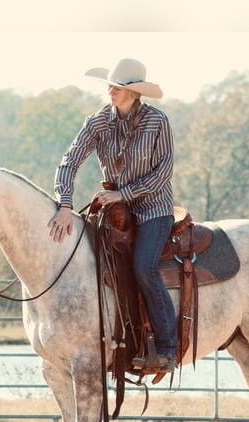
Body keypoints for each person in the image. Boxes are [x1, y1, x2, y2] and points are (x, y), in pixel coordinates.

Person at [49, 57, 178, 372]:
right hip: (115, 213)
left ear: (134, 93)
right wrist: (65, 204)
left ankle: (166, 347)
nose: (111, 91)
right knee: (89, 265)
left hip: (153, 209)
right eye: (110, 85)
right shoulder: (97, 123)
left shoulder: (157, 121)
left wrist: (123, 193)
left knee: (144, 267)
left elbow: (164, 172)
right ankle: (111, 339)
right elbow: (69, 162)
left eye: (118, 87)